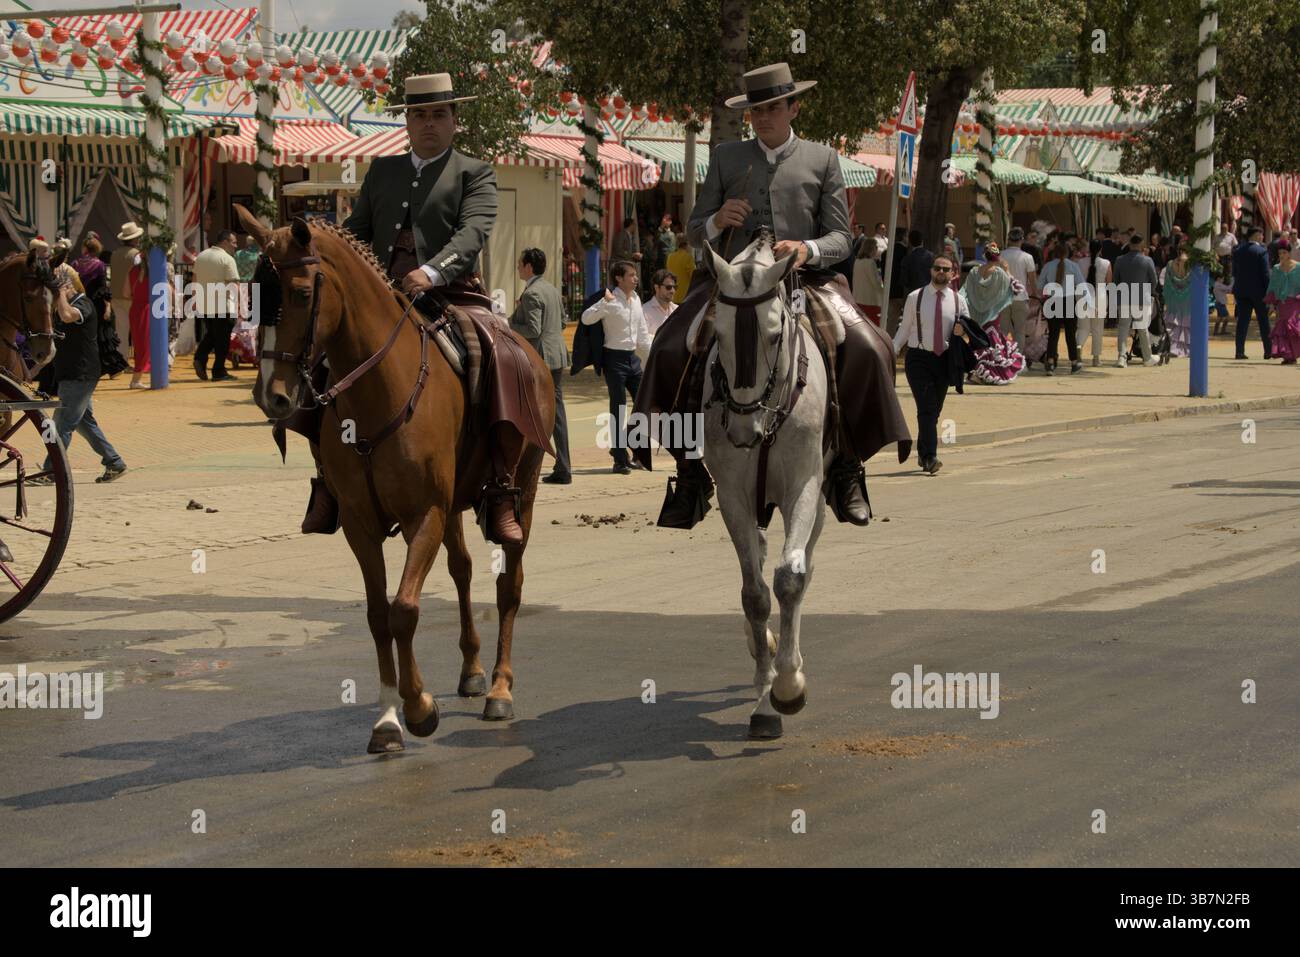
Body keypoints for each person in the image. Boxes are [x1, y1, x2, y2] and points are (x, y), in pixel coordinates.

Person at [634, 61, 910, 528]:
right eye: (756, 110)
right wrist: (719, 221)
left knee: (866, 345)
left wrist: (807, 248)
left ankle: (846, 466)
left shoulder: (823, 159)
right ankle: (689, 471)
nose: (763, 118)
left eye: (773, 108)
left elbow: (843, 237)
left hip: (803, 282)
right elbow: (695, 230)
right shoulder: (725, 157)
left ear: (793, 106)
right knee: (667, 347)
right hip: (732, 283)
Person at [281, 71, 549, 545]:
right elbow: (355, 232)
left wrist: (432, 271)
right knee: (317, 358)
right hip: (382, 295)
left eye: (439, 114)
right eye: (420, 115)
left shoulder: (475, 172)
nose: (429, 123)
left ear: (454, 120)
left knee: (503, 359)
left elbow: (472, 234)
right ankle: (327, 477)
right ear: (407, 121)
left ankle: (502, 486)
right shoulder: (382, 171)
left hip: (452, 292)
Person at [31, 267, 127, 485]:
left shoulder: (84, 304)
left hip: (80, 375)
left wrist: (61, 294)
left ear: (69, 285)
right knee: (85, 423)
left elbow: (67, 315)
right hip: (70, 374)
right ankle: (114, 461)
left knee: (62, 424)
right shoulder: (64, 306)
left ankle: (51, 471)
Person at [893, 254, 969, 474]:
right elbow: (904, 329)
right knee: (926, 407)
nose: (941, 272)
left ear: (953, 273)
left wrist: (962, 329)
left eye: (946, 269)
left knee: (933, 410)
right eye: (938, 268)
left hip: (945, 360)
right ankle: (930, 458)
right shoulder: (914, 297)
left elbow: (968, 326)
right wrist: (892, 349)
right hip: (918, 358)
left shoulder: (958, 300)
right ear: (931, 271)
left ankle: (924, 450)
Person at [509, 247, 571, 483]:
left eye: (519, 264)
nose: (517, 268)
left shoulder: (532, 293)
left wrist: (507, 323)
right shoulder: (552, 290)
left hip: (541, 357)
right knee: (556, 413)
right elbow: (563, 322)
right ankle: (563, 465)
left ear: (528, 267)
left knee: (540, 413)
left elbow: (533, 330)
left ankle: (546, 466)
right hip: (557, 354)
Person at [582, 260, 651, 474]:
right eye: (631, 275)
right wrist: (604, 303)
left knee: (643, 404)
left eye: (635, 274)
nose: (636, 278)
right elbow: (586, 318)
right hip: (614, 360)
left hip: (632, 359)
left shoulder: (637, 299)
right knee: (618, 408)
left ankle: (629, 444)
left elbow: (642, 335)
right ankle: (620, 458)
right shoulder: (610, 300)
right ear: (619, 278)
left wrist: (654, 357)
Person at [961, 242, 1024, 385]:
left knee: (977, 341)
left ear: (984, 255)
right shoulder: (1000, 273)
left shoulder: (974, 272)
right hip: (993, 314)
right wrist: (1007, 271)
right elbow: (1017, 288)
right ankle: (987, 373)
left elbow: (965, 291)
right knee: (991, 342)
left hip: (976, 314)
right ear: (997, 256)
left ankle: (975, 372)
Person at [71, 233, 130, 379]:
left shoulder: (75, 264)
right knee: (103, 336)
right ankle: (113, 368)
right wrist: (107, 306)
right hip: (97, 304)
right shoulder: (99, 265)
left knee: (84, 337)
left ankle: (85, 368)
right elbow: (103, 288)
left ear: (85, 248)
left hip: (81, 303)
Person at [191, 230, 242, 382]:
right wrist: (240, 304)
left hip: (204, 303)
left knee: (213, 334)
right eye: (234, 242)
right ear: (225, 242)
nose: (236, 246)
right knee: (222, 339)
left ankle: (200, 357)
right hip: (223, 304)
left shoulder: (201, 256)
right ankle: (218, 370)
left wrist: (195, 299)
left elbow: (194, 279)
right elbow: (234, 284)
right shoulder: (227, 259)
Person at [1038, 241, 1086, 374]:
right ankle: (1074, 362)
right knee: (1070, 334)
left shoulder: (1048, 266)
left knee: (1053, 334)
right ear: (1067, 252)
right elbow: (1081, 284)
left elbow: (1040, 285)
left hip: (1052, 301)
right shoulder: (1073, 266)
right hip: (1069, 301)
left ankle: (1051, 362)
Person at [1112, 233, 1159, 368]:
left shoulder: (1120, 260)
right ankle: (1147, 357)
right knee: (1142, 328)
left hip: (1124, 298)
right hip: (1141, 299)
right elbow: (1154, 281)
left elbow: (1115, 281)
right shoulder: (1147, 260)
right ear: (1141, 244)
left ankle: (1121, 357)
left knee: (1123, 328)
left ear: (1130, 244)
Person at [1232, 227, 1272, 359]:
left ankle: (1239, 351)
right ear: (1256, 235)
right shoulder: (1261, 251)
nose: (1262, 238)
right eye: (1261, 235)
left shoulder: (1238, 251)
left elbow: (1234, 272)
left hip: (1242, 291)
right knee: (1263, 322)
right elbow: (1266, 274)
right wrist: (1269, 291)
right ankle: (1268, 351)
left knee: (1242, 322)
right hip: (1259, 292)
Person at [1000, 228, 1037, 357]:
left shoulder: (1000, 255)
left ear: (1009, 239)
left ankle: (1002, 358)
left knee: (1003, 330)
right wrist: (1036, 295)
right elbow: (1032, 280)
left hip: (1003, 298)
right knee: (1020, 331)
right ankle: (1018, 360)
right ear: (1021, 240)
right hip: (1020, 297)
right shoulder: (1027, 257)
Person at [1076, 239, 1112, 367]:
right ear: (1100, 249)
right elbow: (1109, 281)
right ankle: (1096, 358)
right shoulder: (1106, 263)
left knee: (1083, 328)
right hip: (1100, 296)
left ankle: (1078, 346)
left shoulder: (1080, 262)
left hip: (1083, 296)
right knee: (1097, 329)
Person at [109, 221, 141, 355]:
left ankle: (122, 359)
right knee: (137, 329)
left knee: (121, 330)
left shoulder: (114, 253)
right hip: (132, 296)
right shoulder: (136, 255)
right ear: (134, 239)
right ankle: (140, 358)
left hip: (115, 295)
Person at [1266, 241, 1300, 364]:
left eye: (1284, 252)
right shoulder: (1276, 268)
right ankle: (1289, 355)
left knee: (1291, 325)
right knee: (1283, 327)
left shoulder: (1298, 267)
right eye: (1280, 253)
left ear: (1289, 253)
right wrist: (1271, 304)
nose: (1281, 255)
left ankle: (1292, 354)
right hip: (1282, 302)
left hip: (1295, 301)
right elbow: (1273, 286)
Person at [1161, 247, 1194, 360]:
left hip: (1173, 297)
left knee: (1173, 321)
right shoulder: (1191, 263)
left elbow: (1166, 282)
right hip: (1188, 296)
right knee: (1185, 322)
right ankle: (1185, 348)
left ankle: (1172, 347)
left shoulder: (1170, 264)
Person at [852, 235, 886, 326]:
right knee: (873, 327)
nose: (877, 249)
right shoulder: (870, 262)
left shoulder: (857, 261)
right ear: (871, 248)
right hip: (870, 301)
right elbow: (876, 283)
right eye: (876, 247)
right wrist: (884, 291)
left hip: (858, 298)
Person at [641, 268, 677, 339]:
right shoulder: (644, 311)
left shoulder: (677, 310)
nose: (672, 291)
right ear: (657, 288)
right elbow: (643, 339)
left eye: (675, 287)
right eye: (668, 287)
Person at [902, 229, 935, 294]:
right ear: (922, 241)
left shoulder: (907, 258)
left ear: (910, 242)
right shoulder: (932, 256)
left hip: (913, 291)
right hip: (929, 291)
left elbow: (904, 279)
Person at [664, 233, 694, 304]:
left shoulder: (670, 257)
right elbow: (693, 276)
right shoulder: (688, 257)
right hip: (684, 295)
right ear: (687, 244)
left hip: (672, 294)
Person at [1213, 267, 1233, 336]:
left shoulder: (1218, 285)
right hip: (1220, 304)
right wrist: (1233, 282)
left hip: (1220, 303)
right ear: (1218, 278)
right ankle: (1222, 331)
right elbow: (1228, 288)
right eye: (1222, 279)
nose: (1223, 280)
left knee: (1220, 317)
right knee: (1227, 317)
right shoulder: (1218, 285)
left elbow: (1228, 290)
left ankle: (1217, 331)